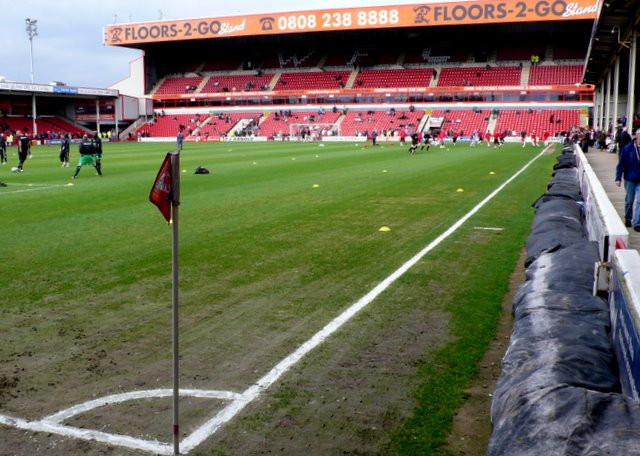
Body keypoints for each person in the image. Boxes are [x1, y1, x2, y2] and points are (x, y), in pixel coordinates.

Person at [615, 128, 640, 230]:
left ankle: (637, 223)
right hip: (630, 178)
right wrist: (618, 178)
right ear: (637, 136)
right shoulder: (627, 148)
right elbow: (621, 165)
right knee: (629, 200)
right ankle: (628, 218)